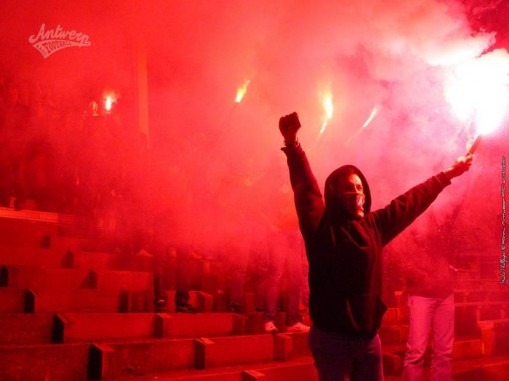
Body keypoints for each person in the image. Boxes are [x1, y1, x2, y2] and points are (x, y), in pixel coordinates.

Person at [278, 112, 473, 381]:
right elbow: (306, 190)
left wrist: (448, 174)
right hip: (331, 339)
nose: (358, 194)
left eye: (360, 188)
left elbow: (410, 201)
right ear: (335, 194)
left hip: (368, 340)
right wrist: (293, 145)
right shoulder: (321, 229)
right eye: (350, 188)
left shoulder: (374, 226)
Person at [397, 228, 456, 381]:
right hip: (421, 295)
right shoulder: (411, 231)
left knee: (444, 352)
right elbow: (404, 263)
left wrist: (448, 275)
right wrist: (425, 278)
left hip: (445, 294)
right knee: (416, 352)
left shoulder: (441, 228)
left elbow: (451, 254)